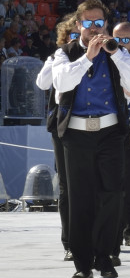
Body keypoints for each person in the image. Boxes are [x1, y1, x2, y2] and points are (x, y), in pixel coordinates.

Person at [51, 0, 130, 278]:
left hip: (110, 133)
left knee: (112, 195)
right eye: (88, 23)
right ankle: (82, 262)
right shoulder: (64, 53)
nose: (94, 29)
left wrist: (115, 54)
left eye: (98, 23)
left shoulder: (117, 53)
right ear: (78, 25)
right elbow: (61, 83)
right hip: (77, 134)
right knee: (80, 198)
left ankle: (105, 256)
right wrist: (87, 57)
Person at [36, 15, 79, 262]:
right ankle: (70, 242)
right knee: (66, 186)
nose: (75, 40)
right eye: (71, 36)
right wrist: (56, 57)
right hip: (62, 125)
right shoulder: (57, 57)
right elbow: (42, 83)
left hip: (92, 125)